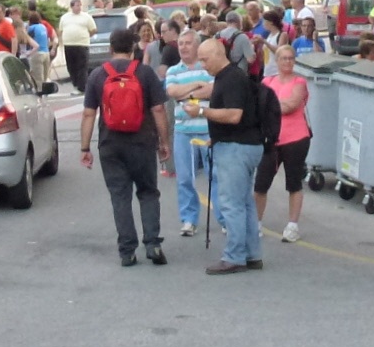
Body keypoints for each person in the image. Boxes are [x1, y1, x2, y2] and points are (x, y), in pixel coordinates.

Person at [80, 27, 170, 266]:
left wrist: (85, 148)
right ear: (133, 48)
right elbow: (158, 109)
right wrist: (164, 141)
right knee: (148, 192)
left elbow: (89, 114)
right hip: (142, 142)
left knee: (120, 196)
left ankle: (127, 251)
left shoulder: (98, 75)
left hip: (110, 144)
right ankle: (153, 244)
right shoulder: (145, 73)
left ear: (111, 48)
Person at [196, 34, 271, 275]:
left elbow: (233, 114)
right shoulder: (233, 77)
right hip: (243, 144)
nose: (202, 65)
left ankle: (234, 256)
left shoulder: (230, 79)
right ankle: (252, 254)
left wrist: (201, 112)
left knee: (232, 204)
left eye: (205, 59)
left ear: (218, 55)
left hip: (236, 148)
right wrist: (216, 136)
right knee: (244, 202)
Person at [255, 41, 310, 243]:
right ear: (276, 61)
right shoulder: (267, 81)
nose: (287, 62)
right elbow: (258, 105)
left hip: (296, 137)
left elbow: (291, 105)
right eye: (283, 58)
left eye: (291, 58)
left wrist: (270, 105)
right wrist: (275, 105)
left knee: (294, 182)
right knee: (261, 183)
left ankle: (292, 225)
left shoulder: (299, 82)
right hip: (271, 138)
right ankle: (256, 222)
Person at [165, 33, 213, 237]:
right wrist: (197, 85)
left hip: (208, 129)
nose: (183, 47)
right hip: (183, 131)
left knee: (215, 176)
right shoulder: (173, 70)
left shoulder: (208, 68)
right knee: (184, 178)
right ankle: (189, 219)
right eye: (181, 44)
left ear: (197, 46)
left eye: (188, 43)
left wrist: (187, 94)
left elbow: (213, 90)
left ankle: (224, 218)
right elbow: (172, 92)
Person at [58, 2, 96, 96]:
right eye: (77, 5)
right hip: (69, 45)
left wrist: (85, 36)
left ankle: (82, 87)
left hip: (82, 44)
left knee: (82, 66)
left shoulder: (86, 17)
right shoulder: (65, 17)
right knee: (71, 66)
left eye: (80, 5)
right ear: (72, 7)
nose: (79, 7)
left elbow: (93, 30)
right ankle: (75, 84)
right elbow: (60, 30)